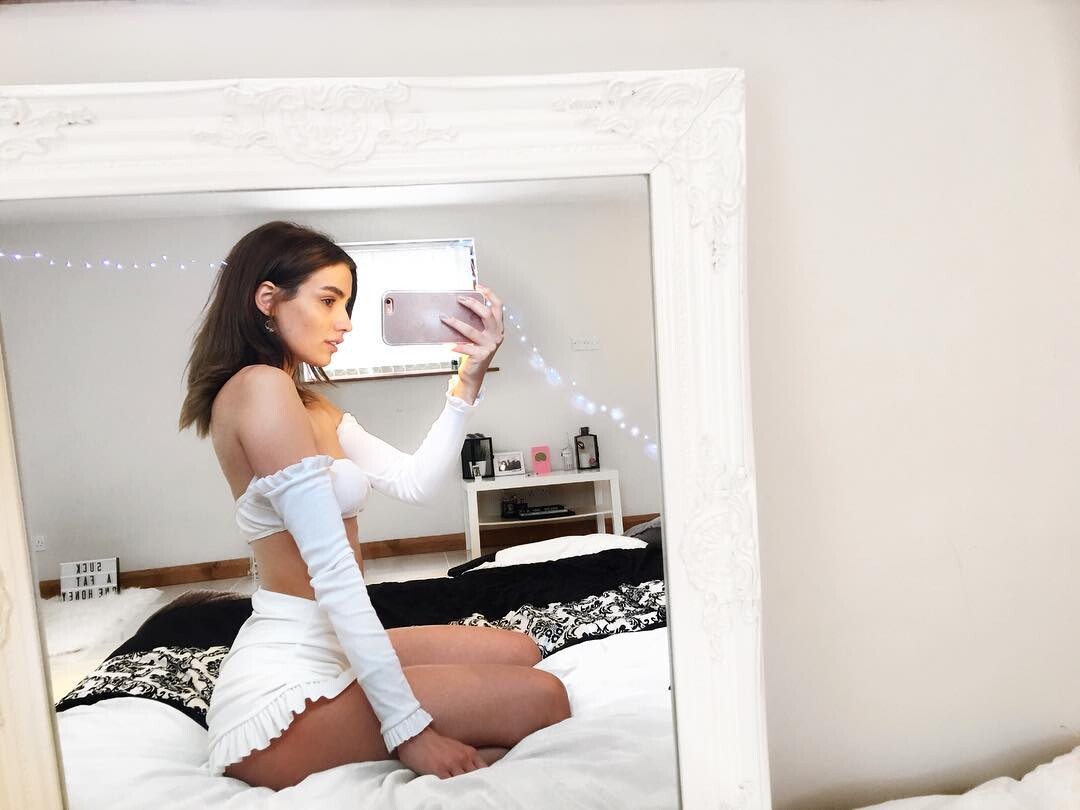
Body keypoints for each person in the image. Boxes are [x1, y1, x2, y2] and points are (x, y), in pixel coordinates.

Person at [178, 221, 570, 790]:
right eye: (328, 301)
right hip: (283, 689)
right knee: (545, 698)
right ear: (268, 299)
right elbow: (332, 571)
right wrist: (409, 729)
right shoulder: (258, 389)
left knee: (521, 651)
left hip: (334, 646)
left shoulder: (312, 406)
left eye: (347, 304)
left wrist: (469, 377)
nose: (345, 322)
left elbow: (414, 482)